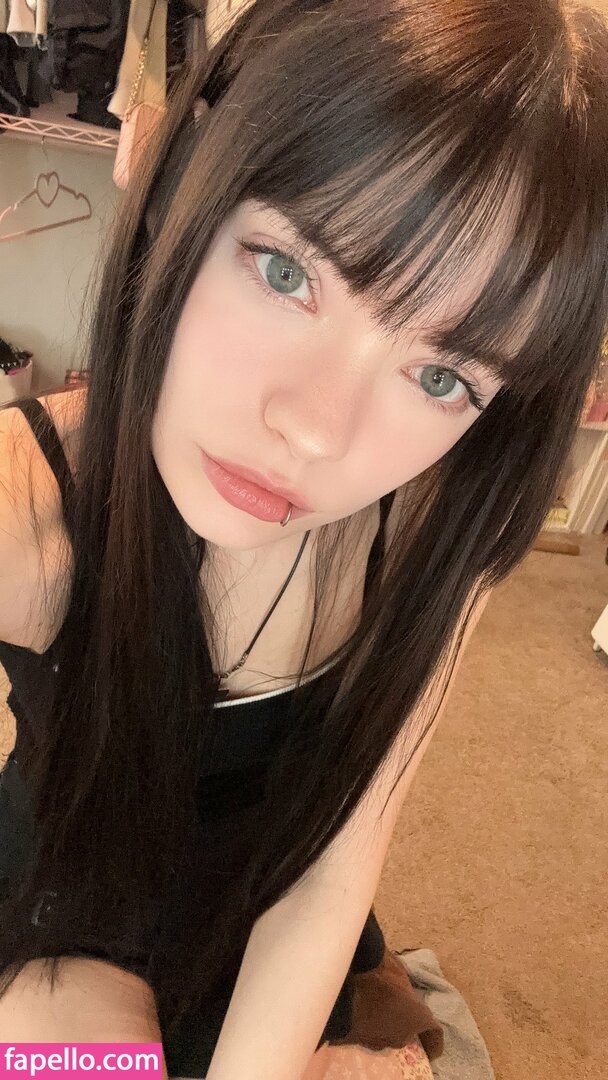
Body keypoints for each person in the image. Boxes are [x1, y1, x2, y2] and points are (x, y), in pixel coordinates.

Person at [0, 1, 607, 1077]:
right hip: (68, 929)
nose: (318, 431)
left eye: (441, 374)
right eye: (286, 272)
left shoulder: (431, 527)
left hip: (275, 905)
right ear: (185, 184)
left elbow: (339, 859)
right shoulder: (21, 502)